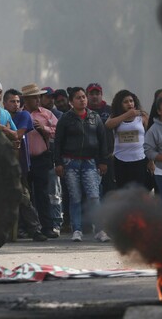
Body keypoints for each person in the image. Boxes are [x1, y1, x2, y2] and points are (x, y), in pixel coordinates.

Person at [54, 87, 110, 242]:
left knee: (94, 197)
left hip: (90, 162)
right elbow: (57, 142)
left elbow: (102, 140)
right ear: (71, 102)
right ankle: (77, 230)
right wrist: (58, 162)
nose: (82, 100)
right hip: (70, 163)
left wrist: (103, 161)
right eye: (78, 97)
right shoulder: (66, 118)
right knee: (75, 197)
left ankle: (99, 230)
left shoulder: (95, 117)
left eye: (83, 97)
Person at [3, 89, 48, 242]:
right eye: (12, 101)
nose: (15, 104)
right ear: (4, 104)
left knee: (24, 197)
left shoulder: (24, 115)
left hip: (20, 164)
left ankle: (35, 230)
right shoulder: (2, 116)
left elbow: (17, 134)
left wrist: (1, 128)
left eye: (17, 101)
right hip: (3, 164)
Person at [21, 83, 59, 239]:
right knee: (26, 195)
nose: (38, 100)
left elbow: (58, 130)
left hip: (41, 158)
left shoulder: (46, 114)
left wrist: (45, 129)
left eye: (39, 97)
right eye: (34, 97)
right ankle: (29, 228)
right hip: (24, 159)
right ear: (26, 99)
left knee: (43, 193)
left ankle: (47, 227)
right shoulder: (19, 114)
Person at [105, 90, 149, 189]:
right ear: (119, 104)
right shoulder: (115, 116)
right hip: (121, 159)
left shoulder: (142, 116)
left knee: (139, 191)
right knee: (123, 190)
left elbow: (150, 135)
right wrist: (127, 114)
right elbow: (108, 125)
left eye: (131, 101)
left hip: (139, 159)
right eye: (125, 102)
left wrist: (151, 161)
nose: (129, 103)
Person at [39, 87, 63, 233]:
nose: (51, 100)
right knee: (40, 193)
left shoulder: (58, 115)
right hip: (38, 159)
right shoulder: (35, 113)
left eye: (52, 97)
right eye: (47, 97)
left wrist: (45, 129)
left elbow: (59, 133)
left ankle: (56, 222)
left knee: (54, 193)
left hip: (53, 158)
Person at [86, 83, 116, 199]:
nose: (94, 96)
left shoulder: (110, 111)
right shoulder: (83, 112)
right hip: (89, 158)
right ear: (87, 95)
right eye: (91, 94)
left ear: (101, 95)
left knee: (110, 191)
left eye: (97, 93)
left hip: (109, 157)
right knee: (92, 193)